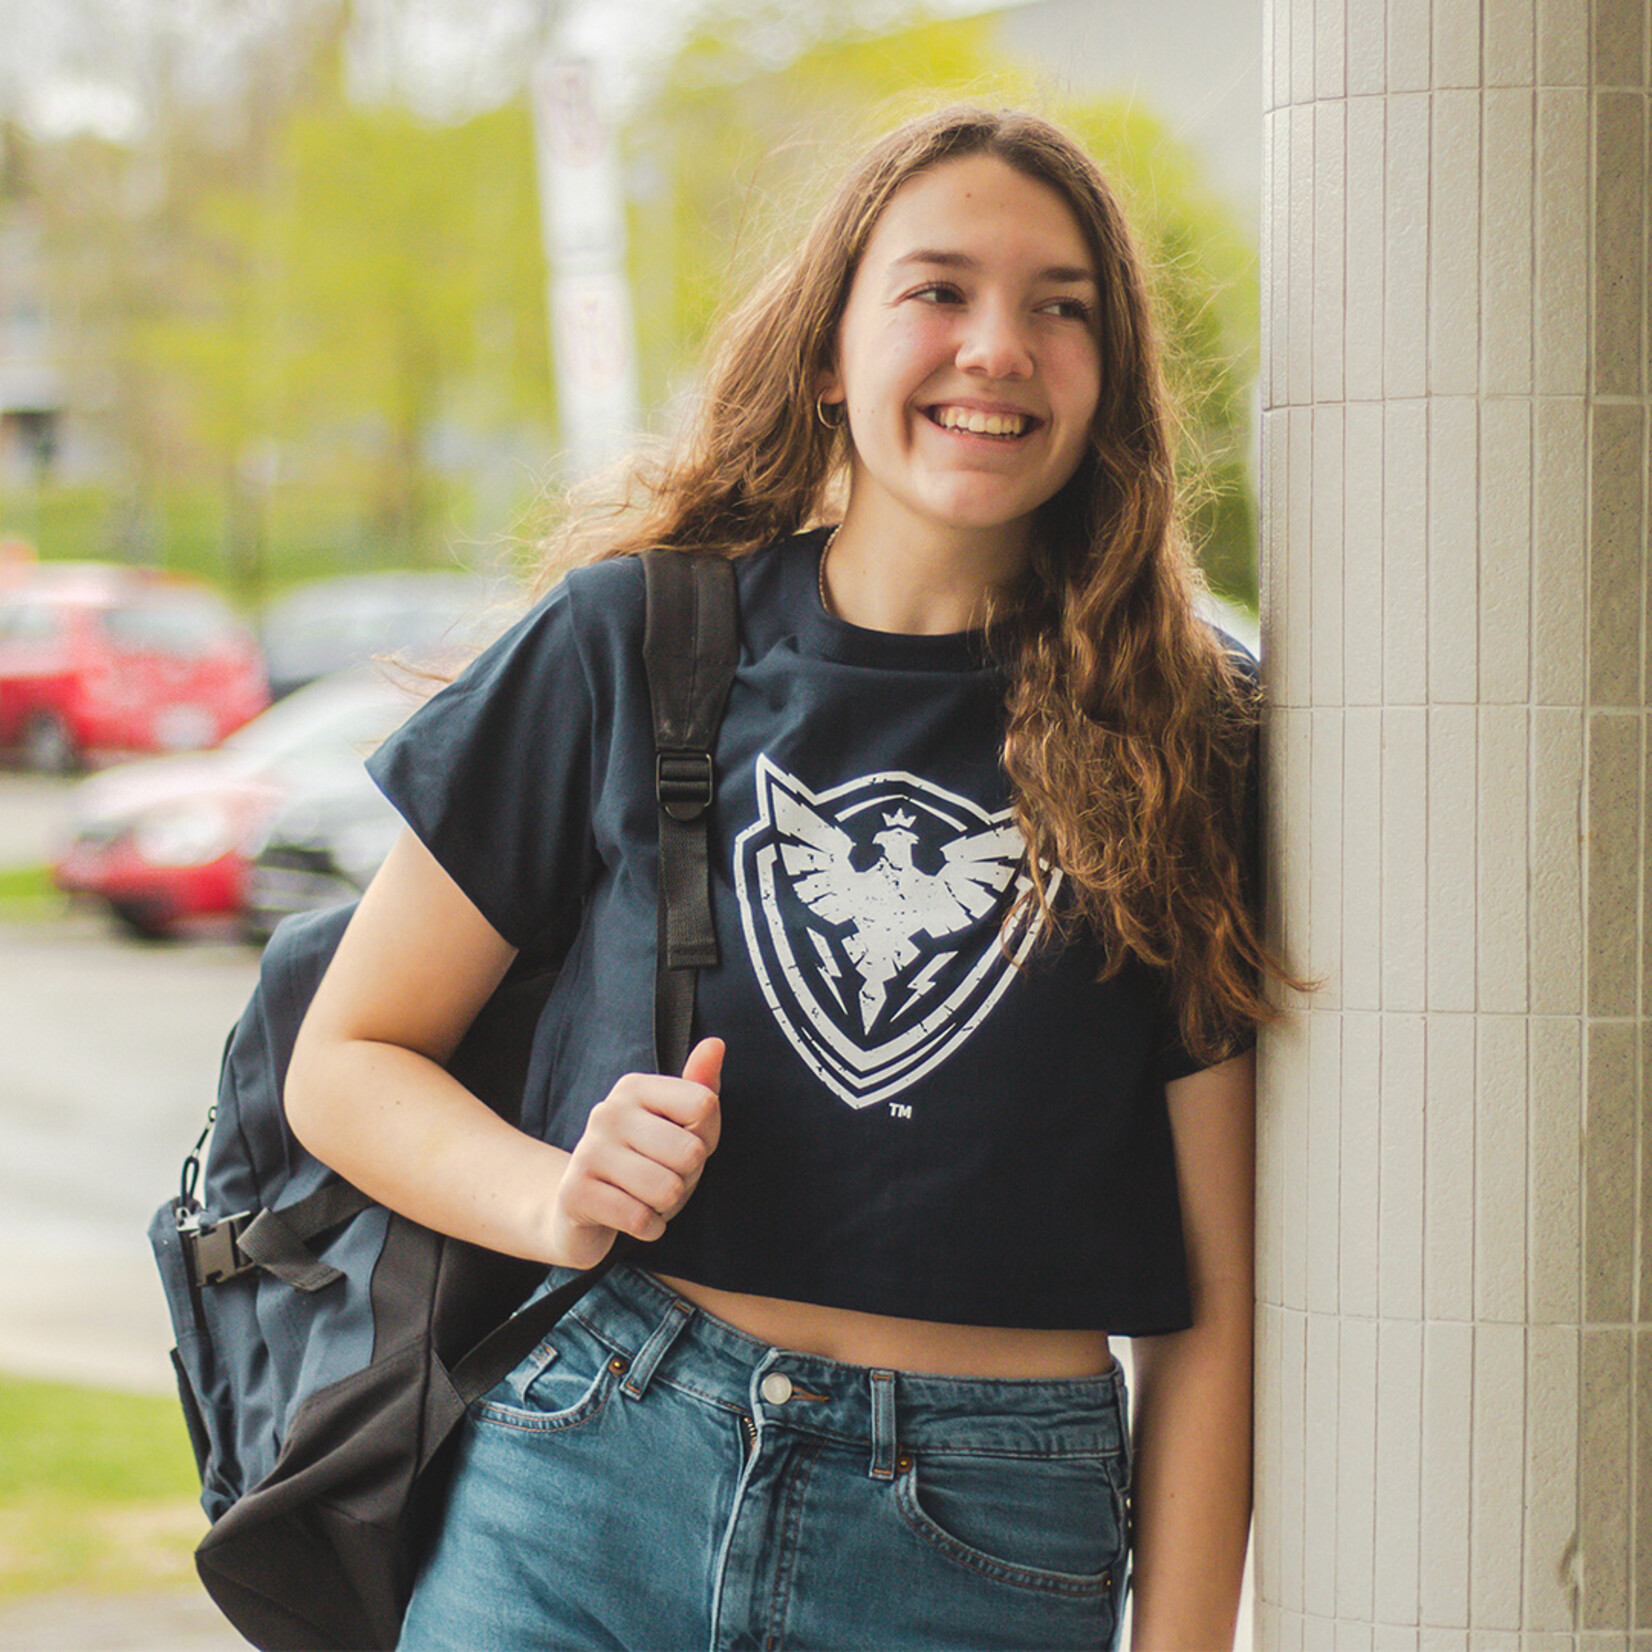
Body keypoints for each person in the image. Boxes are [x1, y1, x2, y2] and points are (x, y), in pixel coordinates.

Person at [286, 103, 1279, 1652]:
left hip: (984, 1539)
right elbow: (345, 1061)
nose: (999, 344)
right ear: (832, 350)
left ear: (1111, 377)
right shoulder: (634, 641)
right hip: (587, 1471)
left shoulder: (1186, 734)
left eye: (1059, 306)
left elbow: (1215, 1307)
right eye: (938, 289)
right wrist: (554, 1192)